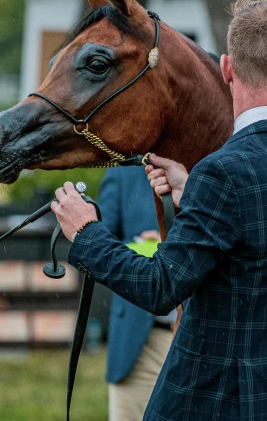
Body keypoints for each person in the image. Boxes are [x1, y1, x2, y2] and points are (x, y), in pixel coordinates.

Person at [52, 0, 267, 420]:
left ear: (227, 68)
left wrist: (86, 232)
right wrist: (194, 194)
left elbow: (159, 287)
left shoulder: (223, 172)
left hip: (214, 404)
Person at [97, 166, 175, 421]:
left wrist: (175, 248)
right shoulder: (123, 173)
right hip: (144, 339)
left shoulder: (213, 161)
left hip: (204, 336)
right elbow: (98, 247)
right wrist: (141, 250)